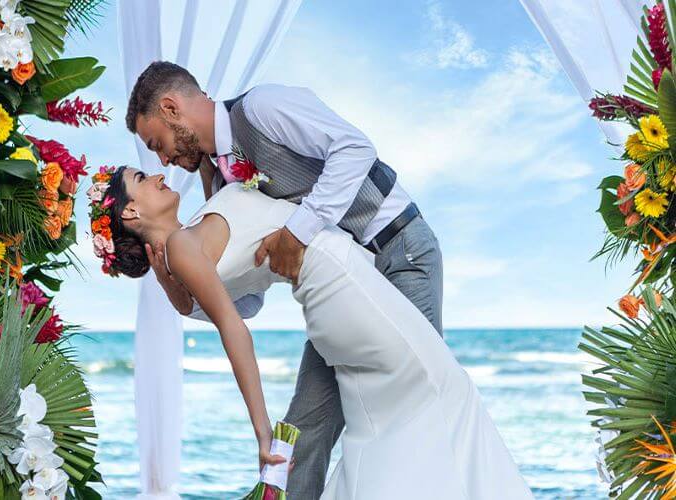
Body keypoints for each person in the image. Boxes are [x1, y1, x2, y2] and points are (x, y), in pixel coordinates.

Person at [87, 165, 533, 499]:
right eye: (142, 177)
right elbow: (233, 328)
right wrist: (263, 433)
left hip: (333, 296)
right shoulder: (183, 250)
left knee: (385, 425)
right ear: (131, 208)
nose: (160, 172)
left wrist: (171, 287)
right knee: (444, 391)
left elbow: (199, 302)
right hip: (340, 281)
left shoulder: (185, 251)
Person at [125, 61, 445, 499]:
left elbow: (355, 148)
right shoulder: (219, 183)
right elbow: (250, 299)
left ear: (170, 108)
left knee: (412, 407)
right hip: (338, 295)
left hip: (396, 253)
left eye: (155, 143)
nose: (163, 159)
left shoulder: (263, 107)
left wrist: (298, 232)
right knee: (302, 427)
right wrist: (184, 296)